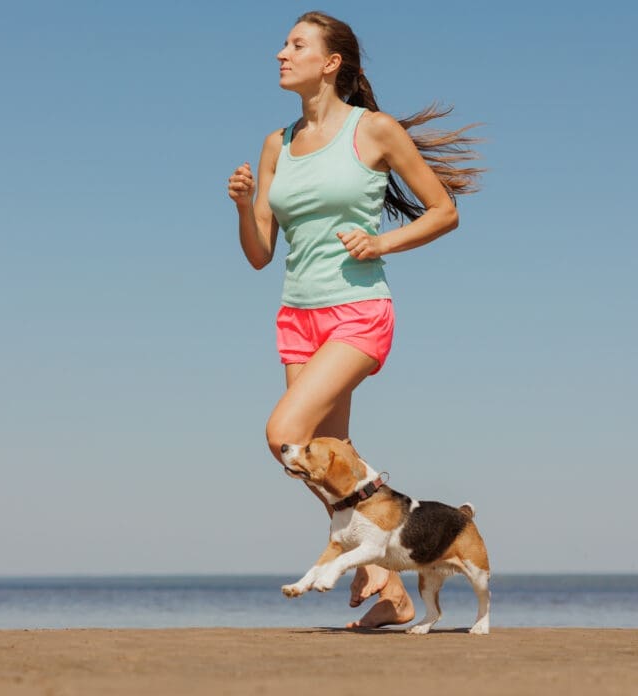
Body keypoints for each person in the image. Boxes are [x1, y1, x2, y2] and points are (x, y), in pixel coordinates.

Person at [227, 11, 483, 629]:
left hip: (359, 311)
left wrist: (380, 244)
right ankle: (391, 582)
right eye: (283, 43)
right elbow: (261, 255)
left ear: (331, 62)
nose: (280, 53)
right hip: (297, 315)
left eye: (296, 45)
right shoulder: (276, 144)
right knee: (327, 461)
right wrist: (242, 206)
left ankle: (378, 565)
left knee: (285, 437)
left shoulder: (375, 131)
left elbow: (443, 211)